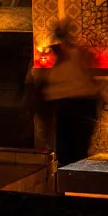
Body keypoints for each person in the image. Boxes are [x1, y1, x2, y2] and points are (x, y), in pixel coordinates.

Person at [36, 20, 99, 167]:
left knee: (73, 153)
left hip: (78, 106)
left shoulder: (76, 55)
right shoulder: (67, 57)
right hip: (71, 107)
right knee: (70, 153)